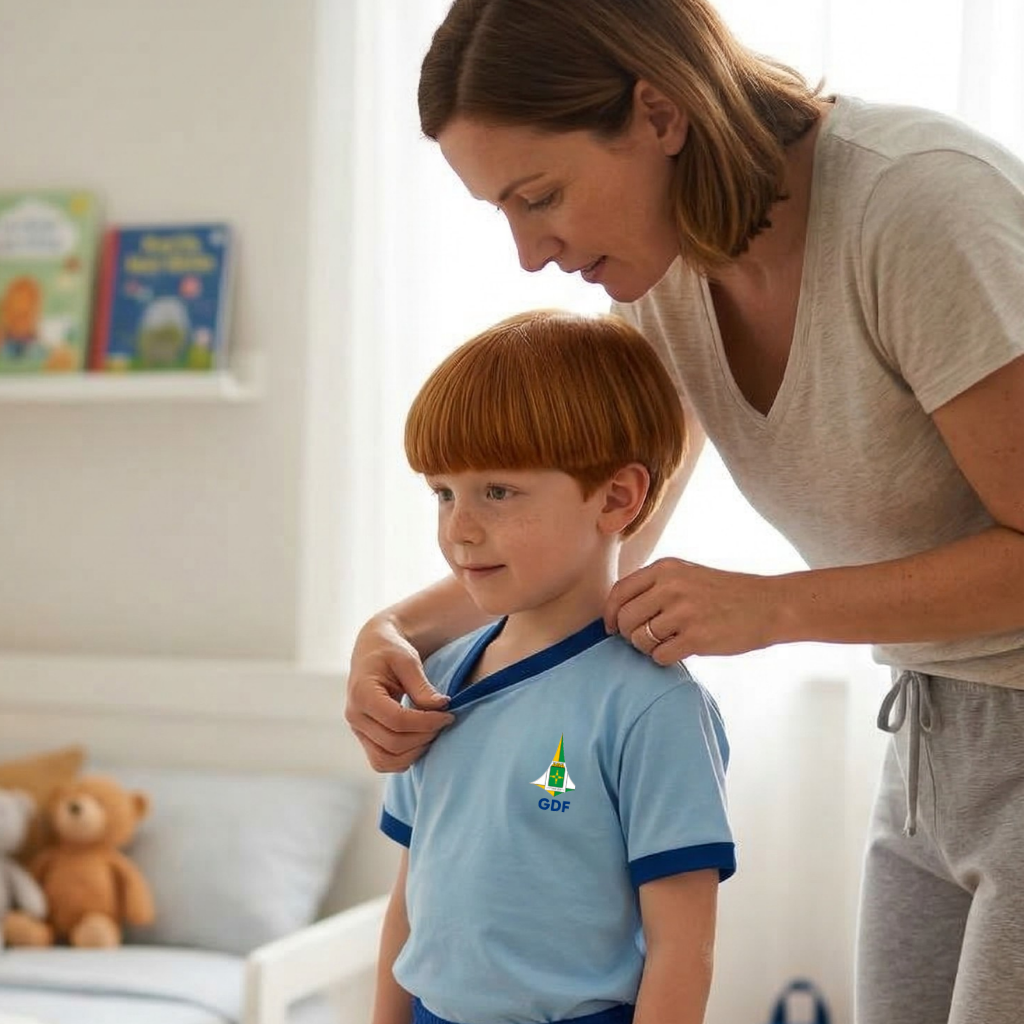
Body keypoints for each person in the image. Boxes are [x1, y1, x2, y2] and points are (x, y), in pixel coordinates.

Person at [347, 2, 1024, 1022]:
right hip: (932, 722)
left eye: (540, 196)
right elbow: (594, 532)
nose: (530, 253)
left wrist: (776, 607)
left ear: (659, 112)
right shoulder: (667, 275)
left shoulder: (915, 206)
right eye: (503, 212)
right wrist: (395, 631)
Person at [371, 309, 734, 1024]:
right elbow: (407, 904)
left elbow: (682, 952)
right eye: (444, 493)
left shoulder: (653, 707)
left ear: (617, 498)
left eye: (497, 492)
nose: (459, 528)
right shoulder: (432, 680)